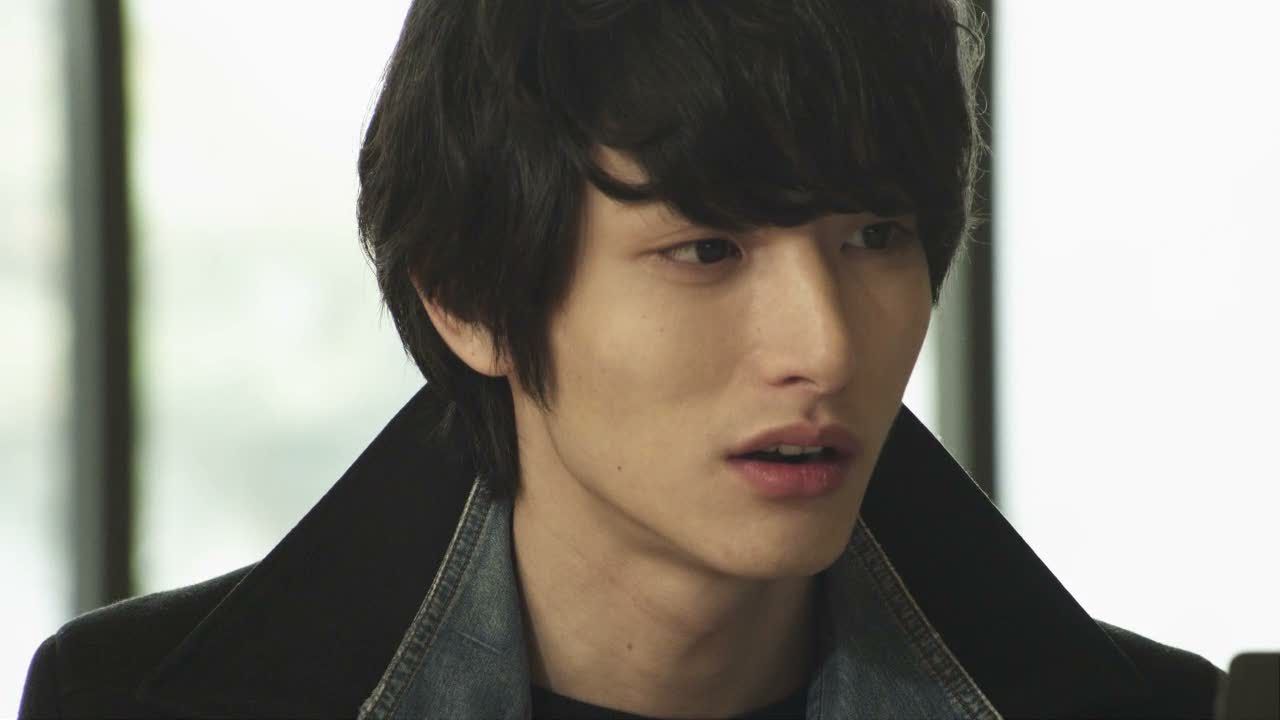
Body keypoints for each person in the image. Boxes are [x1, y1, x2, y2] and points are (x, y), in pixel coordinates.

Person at [20, 1, 1226, 718]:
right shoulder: (132, 704)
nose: (823, 346)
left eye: (873, 237)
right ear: (467, 300)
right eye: (706, 251)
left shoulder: (1162, 712)